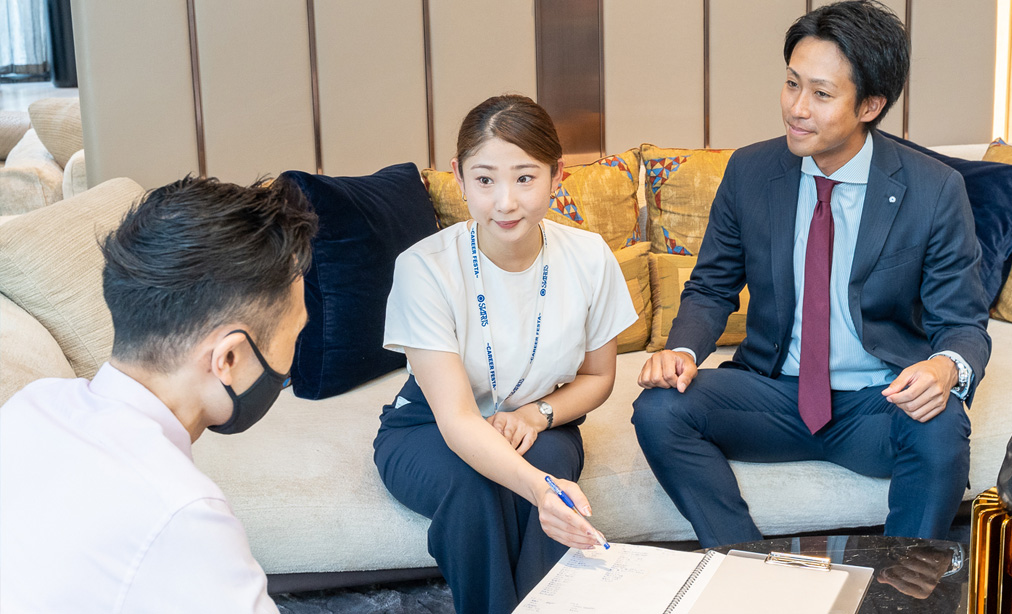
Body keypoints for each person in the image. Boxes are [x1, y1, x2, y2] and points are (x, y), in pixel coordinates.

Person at [633, 0, 991, 548]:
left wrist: (945, 367)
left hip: (878, 397)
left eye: (821, 94)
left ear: (870, 104)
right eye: (791, 83)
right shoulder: (751, 171)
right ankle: (746, 564)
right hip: (772, 394)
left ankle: (897, 588)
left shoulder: (933, 189)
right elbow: (712, 285)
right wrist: (681, 351)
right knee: (660, 409)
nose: (797, 108)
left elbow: (963, 322)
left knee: (942, 426)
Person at [0, 177, 317, 612]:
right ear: (228, 358)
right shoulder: (184, 512)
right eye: (294, 334)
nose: (292, 354)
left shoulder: (30, 406)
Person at [374, 94, 637, 614]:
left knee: (551, 465)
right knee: (474, 488)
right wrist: (539, 489)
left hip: (540, 421)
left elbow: (599, 377)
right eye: (485, 179)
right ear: (459, 177)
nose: (505, 202)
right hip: (429, 426)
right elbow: (456, 419)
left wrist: (536, 416)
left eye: (525, 177)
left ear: (557, 176)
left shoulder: (589, 257)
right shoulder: (424, 267)